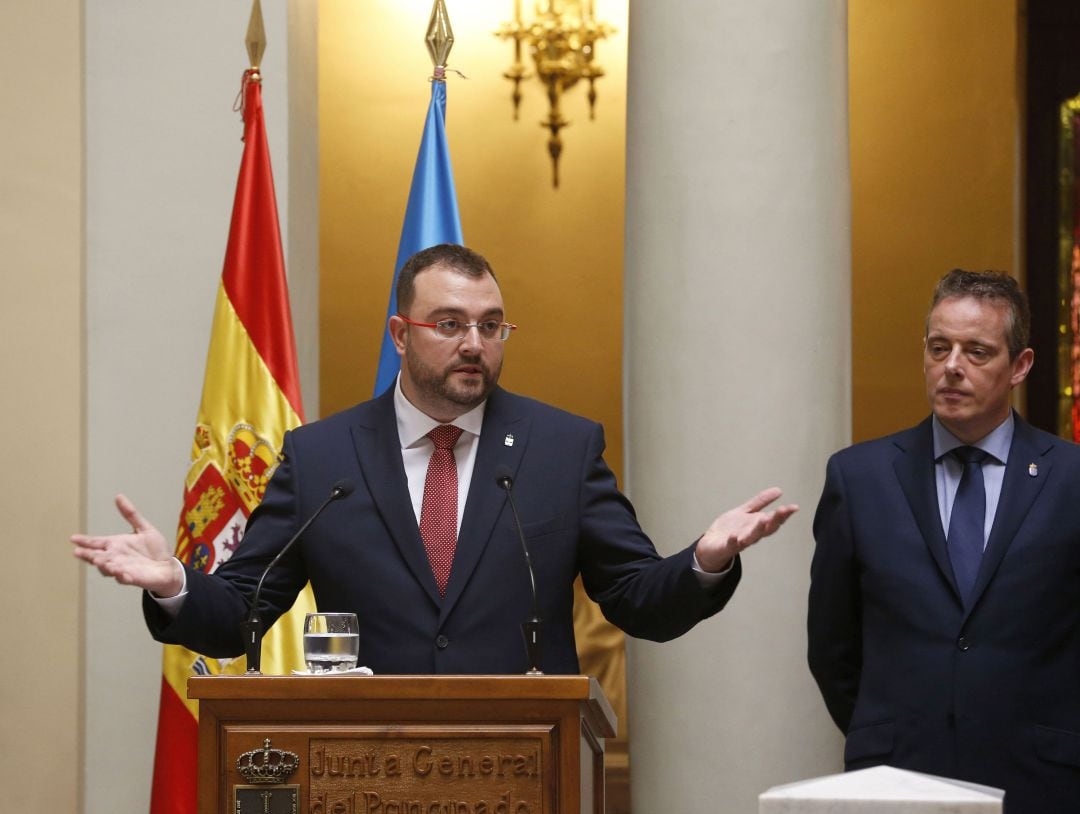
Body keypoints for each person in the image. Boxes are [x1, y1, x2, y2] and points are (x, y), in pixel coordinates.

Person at [73, 243, 796, 675]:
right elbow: (239, 614)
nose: (475, 344)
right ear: (400, 332)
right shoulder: (322, 457)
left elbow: (639, 601)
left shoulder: (563, 450)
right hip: (364, 769)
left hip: (522, 767)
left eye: (490, 325)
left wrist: (704, 561)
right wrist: (174, 584)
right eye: (449, 325)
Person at [808, 269, 1080, 814]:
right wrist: (886, 728)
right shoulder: (859, 477)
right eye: (939, 348)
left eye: (977, 352)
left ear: (1019, 366)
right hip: (896, 776)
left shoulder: (1072, 479)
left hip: (1042, 782)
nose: (952, 366)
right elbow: (833, 643)